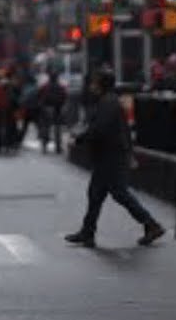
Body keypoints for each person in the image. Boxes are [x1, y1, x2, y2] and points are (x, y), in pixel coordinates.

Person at [65, 70, 166, 248]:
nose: (91, 86)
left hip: (111, 157)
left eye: (95, 82)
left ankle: (151, 224)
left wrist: (81, 138)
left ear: (101, 84)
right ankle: (87, 232)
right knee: (95, 194)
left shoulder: (108, 103)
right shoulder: (108, 101)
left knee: (120, 193)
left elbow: (100, 129)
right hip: (109, 156)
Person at [37, 72, 68, 154]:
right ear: (57, 78)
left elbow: (39, 95)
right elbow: (65, 96)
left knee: (46, 127)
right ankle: (58, 147)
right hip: (57, 108)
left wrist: (41, 105)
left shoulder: (45, 86)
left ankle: (44, 145)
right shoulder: (61, 87)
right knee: (57, 128)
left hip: (47, 108)